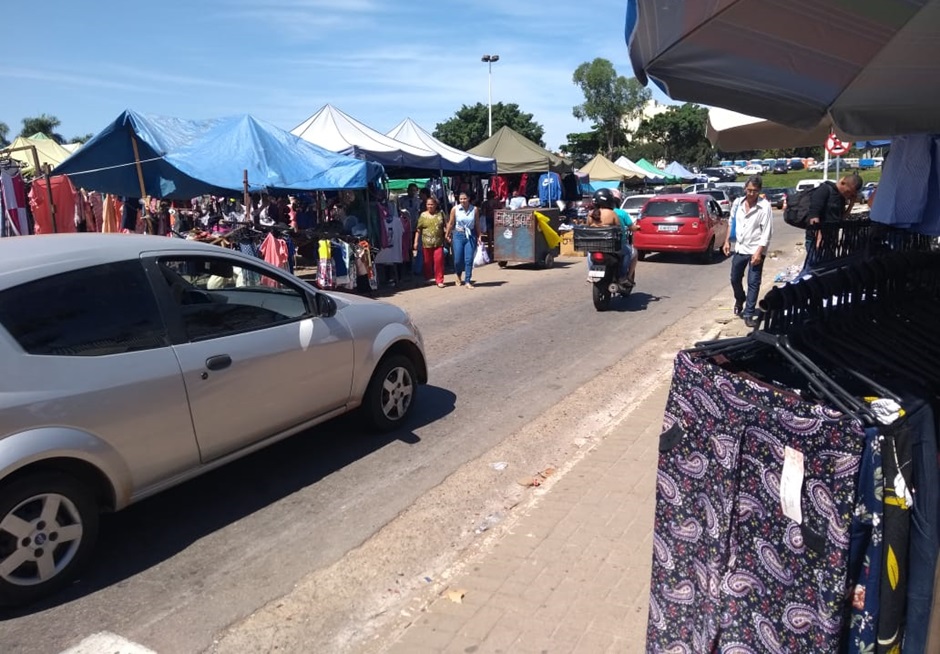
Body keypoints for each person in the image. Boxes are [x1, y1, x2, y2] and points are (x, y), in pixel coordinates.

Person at [722, 175, 773, 328]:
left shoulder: (764, 206)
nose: (751, 194)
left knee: (753, 282)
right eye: (749, 190)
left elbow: (767, 232)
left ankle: (749, 313)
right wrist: (726, 241)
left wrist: (759, 252)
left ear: (759, 191)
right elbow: (731, 223)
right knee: (734, 278)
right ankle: (740, 298)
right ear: (745, 189)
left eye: (755, 191)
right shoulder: (737, 203)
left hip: (756, 249)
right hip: (740, 248)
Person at [801, 173, 862, 272]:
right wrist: (818, 237)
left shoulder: (841, 197)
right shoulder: (824, 190)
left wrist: (851, 204)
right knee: (815, 270)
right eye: (848, 192)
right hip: (816, 240)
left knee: (825, 269)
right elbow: (814, 215)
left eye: (851, 194)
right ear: (843, 183)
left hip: (830, 240)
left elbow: (841, 218)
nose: (848, 195)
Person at [587, 188, 637, 285]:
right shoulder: (612, 213)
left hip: (595, 246)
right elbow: (620, 229)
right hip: (612, 247)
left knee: (589, 254)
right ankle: (622, 277)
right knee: (627, 253)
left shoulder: (590, 214)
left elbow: (587, 228)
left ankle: (590, 272)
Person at [445, 192, 483, 288]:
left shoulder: (474, 209)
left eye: (464, 198)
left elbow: (477, 223)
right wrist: (447, 234)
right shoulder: (455, 209)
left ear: (469, 199)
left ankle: (467, 281)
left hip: (470, 235)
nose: (462, 201)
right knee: (458, 259)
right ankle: (458, 274)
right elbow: (451, 222)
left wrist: (479, 235)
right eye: (461, 199)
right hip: (458, 234)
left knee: (469, 259)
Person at [413, 196, 447, 287]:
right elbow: (418, 229)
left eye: (432, 204)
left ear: (435, 205)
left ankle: (439, 280)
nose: (430, 206)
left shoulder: (440, 214)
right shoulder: (423, 215)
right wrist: (415, 242)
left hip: (438, 242)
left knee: (438, 261)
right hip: (426, 243)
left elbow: (445, 225)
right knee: (427, 262)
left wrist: (447, 235)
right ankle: (428, 278)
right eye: (428, 204)